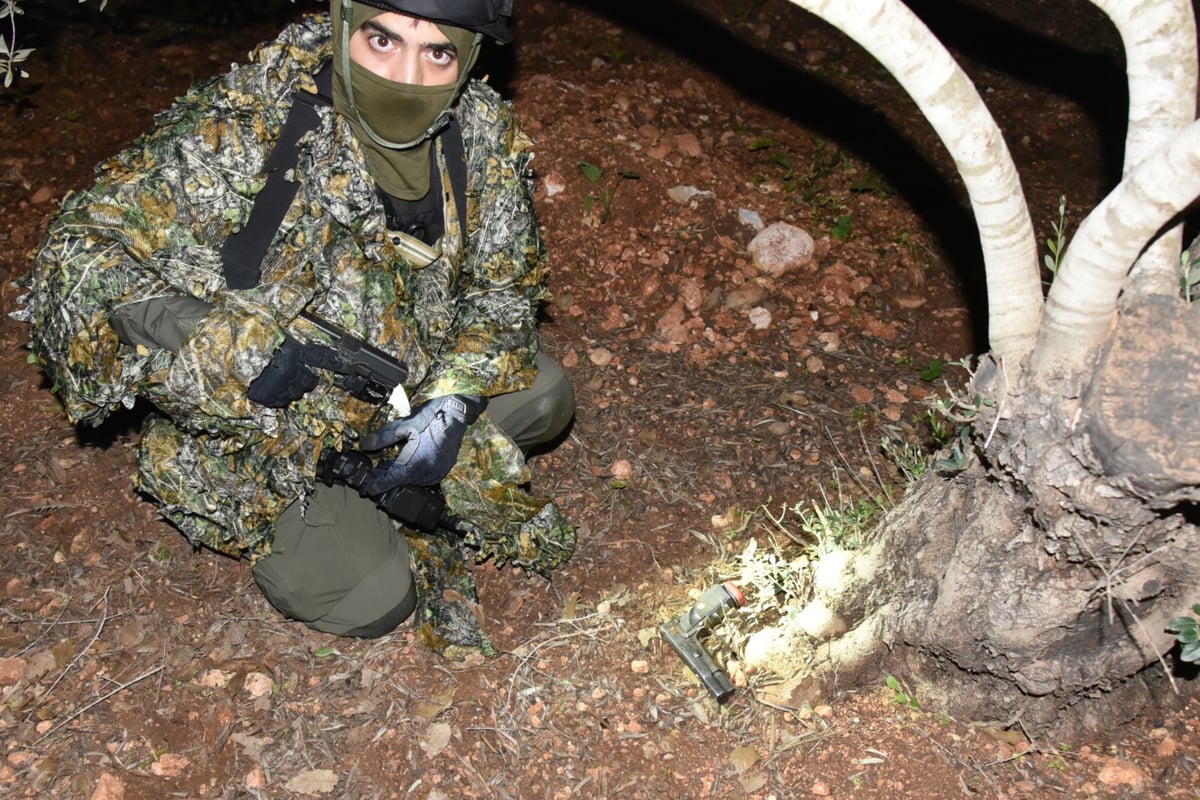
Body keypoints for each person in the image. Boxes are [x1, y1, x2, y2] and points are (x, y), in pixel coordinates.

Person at [16, 0, 576, 659]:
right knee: (372, 594)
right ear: (344, 26)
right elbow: (76, 254)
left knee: (544, 395)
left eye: (438, 54)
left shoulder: (478, 133)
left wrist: (453, 400)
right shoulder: (254, 120)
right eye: (381, 39)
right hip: (258, 426)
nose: (404, 74)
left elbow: (499, 294)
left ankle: (401, 474)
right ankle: (348, 510)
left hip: (400, 378)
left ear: (468, 58)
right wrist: (226, 341)